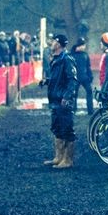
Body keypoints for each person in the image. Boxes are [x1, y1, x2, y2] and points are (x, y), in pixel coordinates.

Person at [42, 33, 78, 169]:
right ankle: (58, 157)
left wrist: (67, 97)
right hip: (55, 100)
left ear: (58, 44)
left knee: (67, 129)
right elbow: (58, 79)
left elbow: (72, 80)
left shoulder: (67, 59)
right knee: (57, 128)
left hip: (63, 100)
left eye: (53, 41)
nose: (51, 43)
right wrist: (47, 81)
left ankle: (67, 160)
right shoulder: (56, 59)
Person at [69, 38, 93, 114]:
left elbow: (88, 67)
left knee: (89, 91)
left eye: (84, 45)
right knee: (74, 94)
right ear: (79, 46)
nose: (84, 47)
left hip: (84, 77)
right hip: (75, 78)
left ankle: (90, 110)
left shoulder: (85, 55)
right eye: (83, 45)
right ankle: (73, 109)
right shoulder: (72, 54)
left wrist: (90, 76)